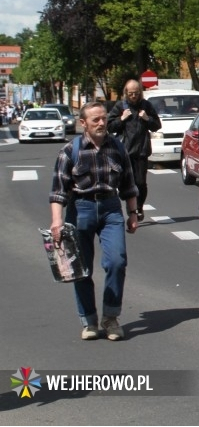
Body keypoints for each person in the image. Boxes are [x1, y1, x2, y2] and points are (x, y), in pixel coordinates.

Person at [49, 101, 140, 341]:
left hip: (111, 209)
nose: (101, 123)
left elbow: (129, 185)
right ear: (83, 123)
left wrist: (133, 213)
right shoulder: (70, 151)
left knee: (117, 262)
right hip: (80, 209)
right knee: (81, 270)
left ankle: (111, 318)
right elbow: (58, 191)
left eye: (103, 119)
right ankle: (89, 321)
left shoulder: (117, 148)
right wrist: (57, 222)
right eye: (95, 120)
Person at [106, 79, 162, 222]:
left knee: (141, 183)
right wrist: (122, 119)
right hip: (124, 151)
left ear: (140, 93)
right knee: (126, 183)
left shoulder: (146, 106)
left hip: (141, 151)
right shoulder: (120, 106)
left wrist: (147, 118)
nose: (133, 96)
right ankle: (131, 208)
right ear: (126, 93)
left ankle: (139, 206)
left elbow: (157, 125)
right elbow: (110, 127)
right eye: (130, 93)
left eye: (136, 93)